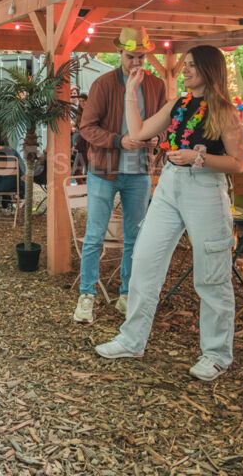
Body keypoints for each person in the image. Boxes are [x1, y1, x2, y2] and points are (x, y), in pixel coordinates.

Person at [95, 45, 243, 382]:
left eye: (192, 66)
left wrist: (200, 158)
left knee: (211, 274)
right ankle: (132, 340)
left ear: (209, 69)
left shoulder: (224, 110)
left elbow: (238, 162)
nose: (185, 71)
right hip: (168, 186)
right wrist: (131, 92)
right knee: (145, 261)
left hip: (205, 189)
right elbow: (138, 132)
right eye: (186, 65)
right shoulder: (178, 104)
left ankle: (217, 355)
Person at [74, 27, 167, 324]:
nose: (136, 63)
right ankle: (86, 295)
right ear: (119, 54)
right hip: (103, 171)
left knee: (135, 238)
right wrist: (118, 140)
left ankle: (127, 294)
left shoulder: (156, 86)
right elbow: (86, 127)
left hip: (139, 172)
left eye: (141, 56)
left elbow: (164, 125)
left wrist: (157, 138)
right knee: (94, 237)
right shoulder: (103, 84)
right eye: (130, 57)